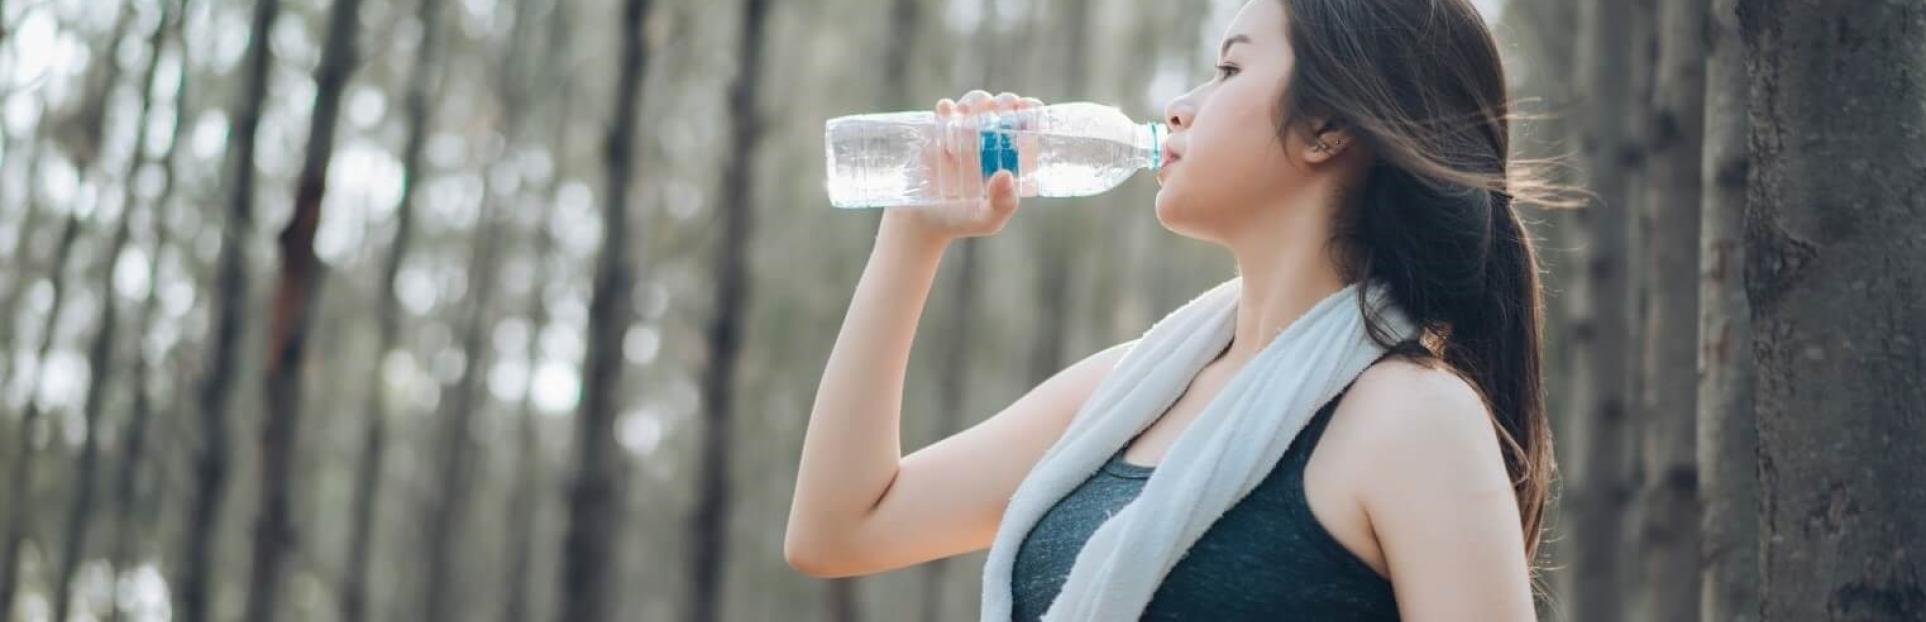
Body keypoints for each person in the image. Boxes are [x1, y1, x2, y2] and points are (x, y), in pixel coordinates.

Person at [786, 0, 1554, 619]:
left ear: (1328, 129)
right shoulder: (1130, 390)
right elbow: (841, 528)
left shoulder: (1415, 421)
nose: (1181, 107)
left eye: (1228, 69)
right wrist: (912, 235)